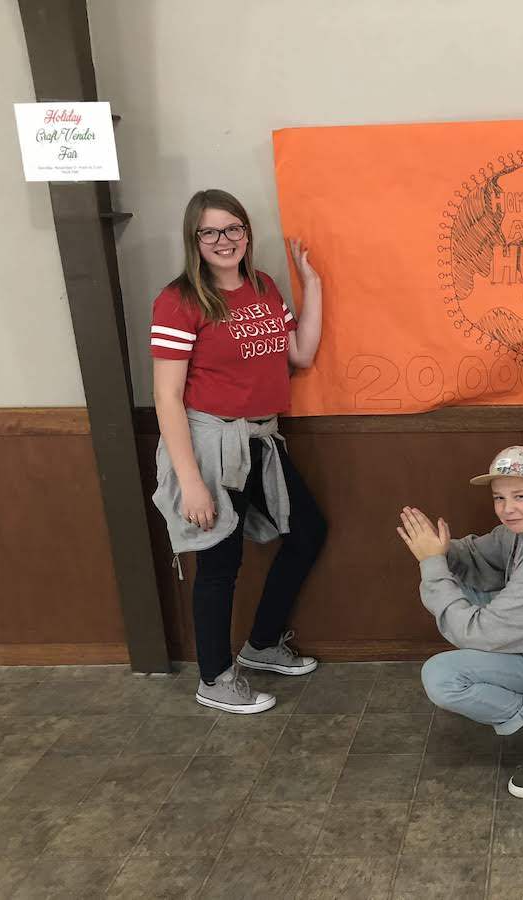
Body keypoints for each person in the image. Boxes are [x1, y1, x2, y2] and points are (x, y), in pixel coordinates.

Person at [151, 188, 327, 714]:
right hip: (211, 443)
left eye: (234, 228)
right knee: (219, 564)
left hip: (260, 440)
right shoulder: (179, 300)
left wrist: (312, 285)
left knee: (308, 530)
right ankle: (214, 678)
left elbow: (300, 353)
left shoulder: (264, 286)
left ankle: (262, 644)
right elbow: (166, 396)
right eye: (211, 231)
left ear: (247, 233)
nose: (224, 240)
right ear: (194, 239)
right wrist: (192, 482)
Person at [397, 446, 523, 798]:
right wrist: (442, 551)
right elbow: (479, 555)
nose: (508, 509)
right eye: (499, 498)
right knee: (453, 578)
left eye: (520, 496)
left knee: (443, 677)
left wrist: (430, 563)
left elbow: (476, 632)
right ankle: (513, 691)